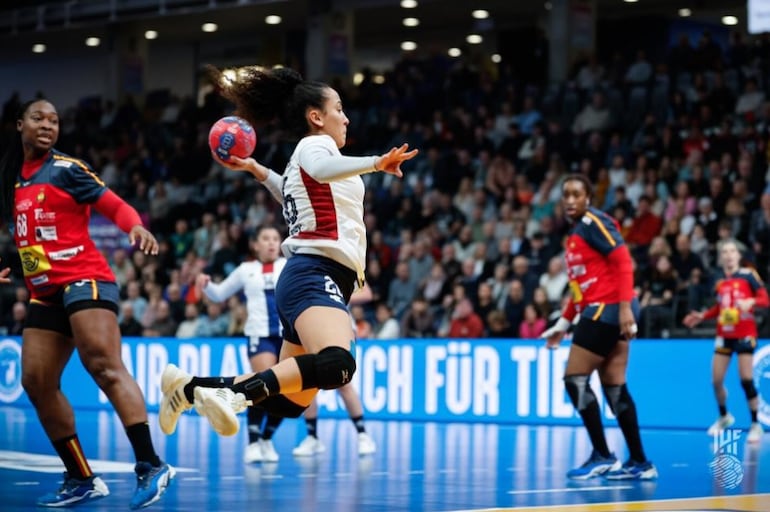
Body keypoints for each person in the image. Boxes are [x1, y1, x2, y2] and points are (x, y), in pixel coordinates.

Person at [158, 66, 417, 438]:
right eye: (338, 109)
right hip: (316, 273)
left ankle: (188, 387)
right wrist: (376, 162)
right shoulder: (315, 146)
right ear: (316, 116)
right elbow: (322, 169)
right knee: (338, 365)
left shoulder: (307, 159)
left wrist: (257, 170)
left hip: (311, 278)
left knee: (290, 401)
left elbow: (296, 193)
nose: (345, 117)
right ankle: (234, 395)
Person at [0, 99, 174, 508]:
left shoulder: (66, 169)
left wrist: (135, 226)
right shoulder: (10, 179)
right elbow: (21, 235)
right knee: (36, 383)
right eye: (39, 118)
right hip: (44, 291)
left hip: (85, 278)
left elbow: (112, 204)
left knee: (101, 363)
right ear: (19, 123)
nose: (47, 125)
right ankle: (81, 478)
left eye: (55, 120)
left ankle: (150, 464)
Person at [542, 174, 657, 481]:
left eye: (576, 194)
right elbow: (580, 287)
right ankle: (640, 462)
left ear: (589, 197)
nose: (570, 200)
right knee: (614, 386)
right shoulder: (577, 234)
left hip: (608, 308)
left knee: (574, 379)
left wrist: (623, 310)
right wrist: (563, 323)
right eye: (565, 195)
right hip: (604, 307)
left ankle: (603, 455)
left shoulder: (594, 223)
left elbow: (623, 262)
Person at [193, 225, 288, 463]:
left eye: (276, 238)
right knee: (261, 383)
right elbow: (219, 294)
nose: (271, 243)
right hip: (260, 335)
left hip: (289, 336)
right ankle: (253, 442)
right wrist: (206, 284)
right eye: (266, 238)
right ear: (255, 244)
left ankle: (267, 438)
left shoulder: (289, 265)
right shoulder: (246, 270)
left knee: (289, 391)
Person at [683, 240, 768, 443]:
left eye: (732, 251)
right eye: (725, 252)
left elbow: (765, 299)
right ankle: (724, 416)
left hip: (745, 333)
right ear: (721, 258)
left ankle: (756, 424)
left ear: (738, 256)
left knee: (746, 379)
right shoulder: (719, 281)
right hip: (724, 334)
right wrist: (703, 316)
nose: (729, 255)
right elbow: (720, 308)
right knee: (716, 381)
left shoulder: (749, 275)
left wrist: (752, 301)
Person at [293, 284, 377, 457]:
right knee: (308, 383)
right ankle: (312, 437)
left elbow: (367, 293)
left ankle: (363, 435)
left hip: (341, 327)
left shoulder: (343, 262)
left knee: (343, 382)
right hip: (312, 327)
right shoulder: (304, 266)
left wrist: (332, 295)